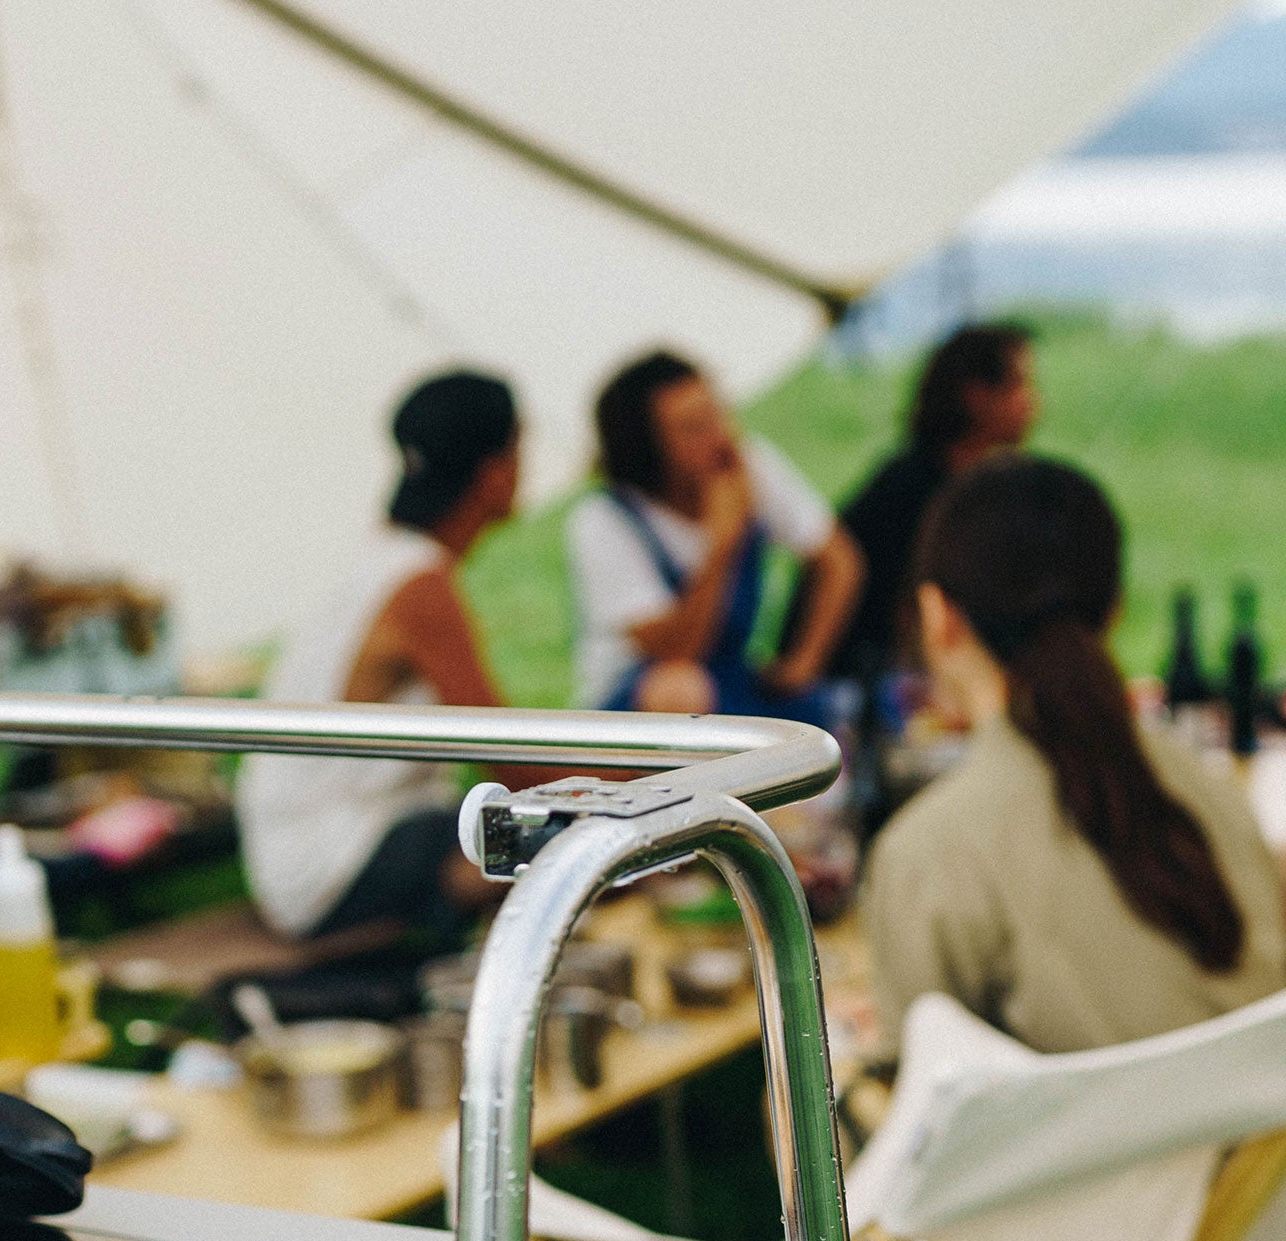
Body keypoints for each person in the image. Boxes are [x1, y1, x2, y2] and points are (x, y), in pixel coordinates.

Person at [863, 455, 1283, 1054]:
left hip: (1094, 1149)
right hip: (1260, 1145)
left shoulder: (928, 849)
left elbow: (920, 1106)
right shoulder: (1214, 793)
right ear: (1114, 609)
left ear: (938, 618)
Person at [237, 370, 521, 942]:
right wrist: (632, 790)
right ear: (494, 471)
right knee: (536, 837)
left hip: (300, 851)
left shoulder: (384, 557)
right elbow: (512, 756)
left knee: (501, 827)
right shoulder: (419, 582)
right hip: (328, 864)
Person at [566, 350, 861, 719]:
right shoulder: (604, 520)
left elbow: (838, 559)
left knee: (836, 712)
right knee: (682, 689)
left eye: (716, 413)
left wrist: (804, 662)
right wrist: (721, 543)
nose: (719, 436)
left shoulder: (749, 467)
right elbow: (677, 652)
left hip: (730, 680)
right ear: (645, 449)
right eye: (693, 427)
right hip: (640, 706)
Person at [828, 322, 1036, 691]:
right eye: (1020, 385)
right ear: (976, 396)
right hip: (868, 680)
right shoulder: (915, 490)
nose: (1032, 403)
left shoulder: (970, 484)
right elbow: (910, 612)